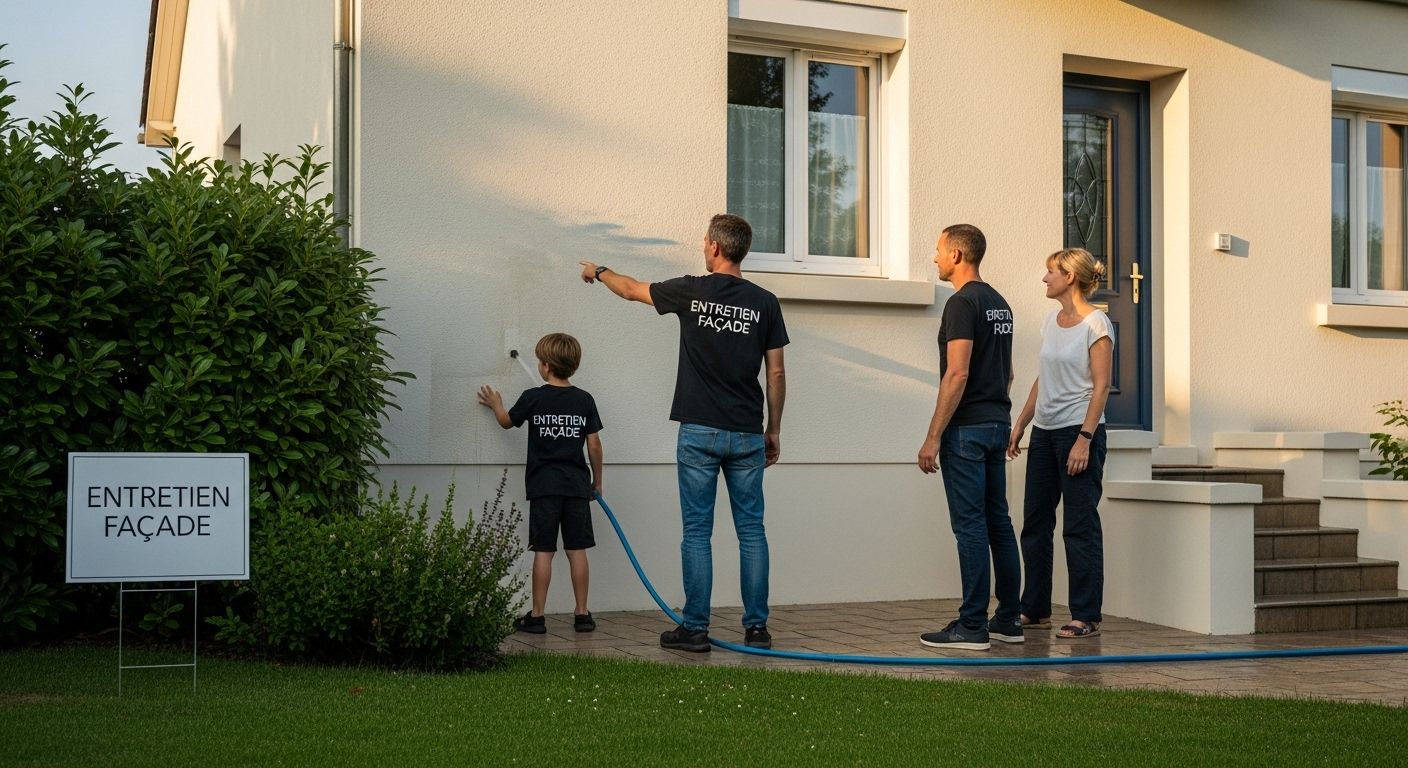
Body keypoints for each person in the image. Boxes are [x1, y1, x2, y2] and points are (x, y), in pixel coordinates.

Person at [578, 213, 787, 653]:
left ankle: (695, 629)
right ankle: (757, 630)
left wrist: (598, 271)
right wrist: (774, 429)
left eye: (704, 241)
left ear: (714, 247)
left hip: (699, 432)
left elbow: (633, 290)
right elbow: (777, 372)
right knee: (752, 530)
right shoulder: (765, 302)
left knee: (697, 532)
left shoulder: (693, 290)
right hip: (747, 432)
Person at [917, 223, 1021, 651]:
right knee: (998, 521)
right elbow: (1009, 372)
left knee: (971, 527)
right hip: (997, 422)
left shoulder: (961, 304)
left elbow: (957, 373)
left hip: (968, 431)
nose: (935, 257)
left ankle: (972, 625)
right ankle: (1009, 619)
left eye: (939, 249)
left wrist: (932, 436)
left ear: (958, 255)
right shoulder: (1000, 303)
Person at [1007, 247, 1112, 639]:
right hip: (1046, 433)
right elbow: (1043, 377)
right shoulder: (1052, 322)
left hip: (1077, 432)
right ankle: (1034, 609)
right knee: (1034, 523)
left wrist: (1085, 439)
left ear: (1069, 276)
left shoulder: (1096, 324)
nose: (1044, 278)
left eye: (1050, 272)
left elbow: (1101, 386)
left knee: (1079, 525)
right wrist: (1021, 422)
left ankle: (1086, 615)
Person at [477, 333, 604, 634]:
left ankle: (537, 616)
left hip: (544, 487)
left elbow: (507, 422)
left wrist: (497, 404)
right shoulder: (584, 399)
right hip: (576, 487)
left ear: (546, 366)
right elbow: (595, 445)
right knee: (577, 550)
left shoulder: (533, 397)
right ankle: (582, 614)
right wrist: (597, 482)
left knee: (544, 551)